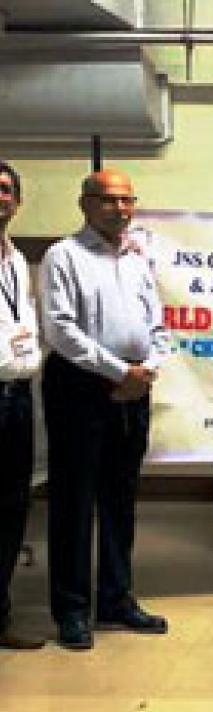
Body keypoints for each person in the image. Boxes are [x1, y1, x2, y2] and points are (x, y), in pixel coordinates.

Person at [40, 169, 170, 651]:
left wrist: (146, 369)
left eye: (128, 200)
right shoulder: (64, 256)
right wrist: (119, 372)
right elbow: (61, 330)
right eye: (109, 200)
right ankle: (73, 610)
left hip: (134, 387)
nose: (120, 208)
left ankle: (116, 598)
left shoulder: (137, 259)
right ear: (85, 204)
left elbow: (158, 325)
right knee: (75, 501)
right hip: (80, 387)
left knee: (120, 498)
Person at [0, 159, 44, 651]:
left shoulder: (14, 259)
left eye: (8, 190)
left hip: (16, 397)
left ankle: (1, 615)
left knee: (12, 507)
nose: (1, 197)